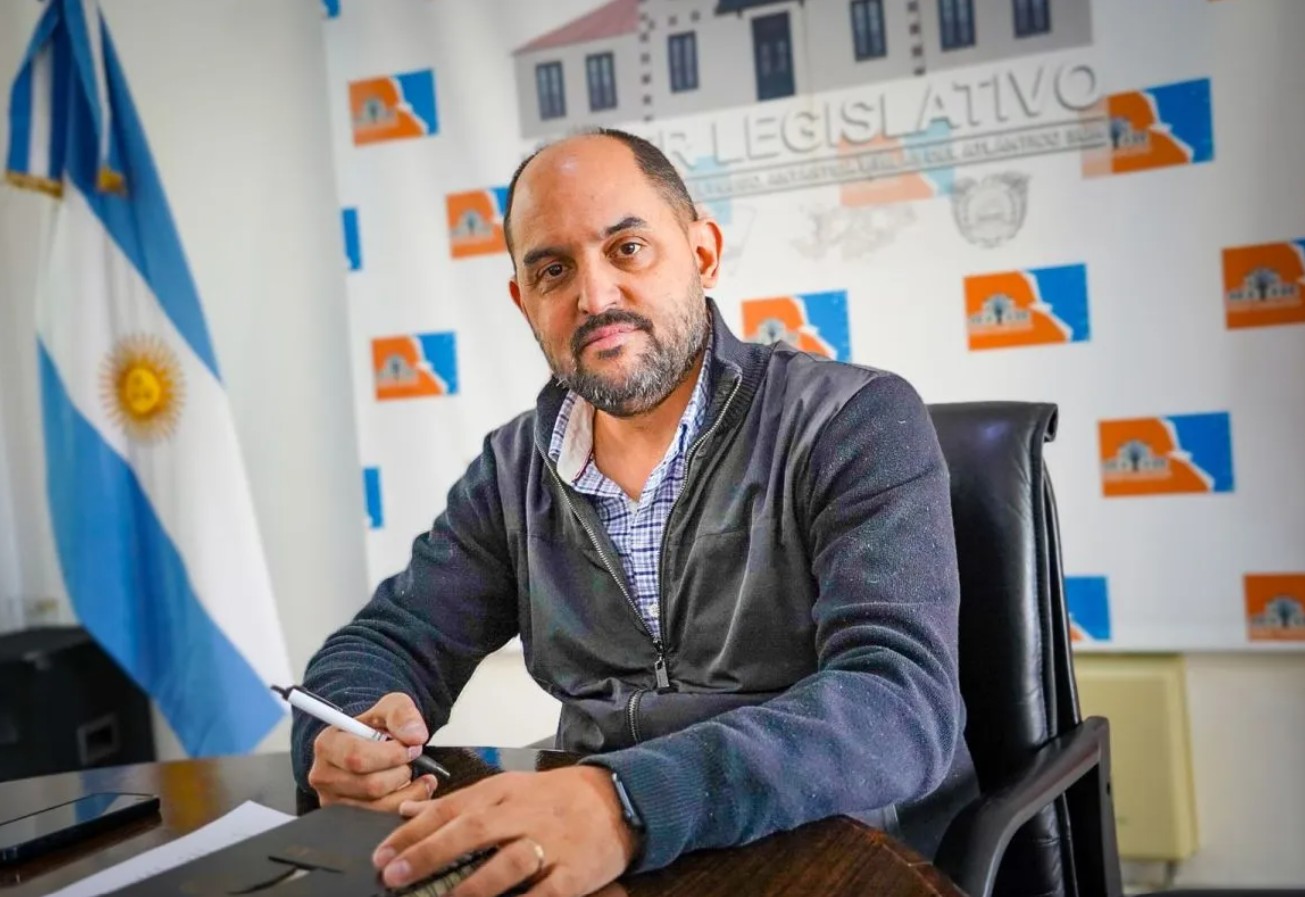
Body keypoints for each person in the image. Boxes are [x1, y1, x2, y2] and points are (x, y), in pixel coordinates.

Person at [291, 128, 976, 897]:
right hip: (605, 859)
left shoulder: (854, 419)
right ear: (523, 302)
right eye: (553, 270)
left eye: (627, 248)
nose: (594, 297)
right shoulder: (514, 468)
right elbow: (391, 638)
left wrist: (622, 800)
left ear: (702, 254)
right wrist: (343, 733)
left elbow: (896, 701)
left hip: (834, 849)